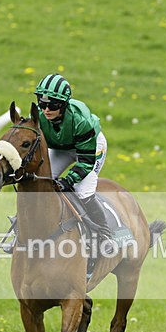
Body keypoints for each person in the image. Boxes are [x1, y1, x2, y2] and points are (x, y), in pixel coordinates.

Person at [35, 73, 115, 253]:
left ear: (63, 105)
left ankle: (105, 235)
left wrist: (68, 180)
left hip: (89, 147)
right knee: (41, 182)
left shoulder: (81, 121)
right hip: (62, 146)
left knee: (83, 190)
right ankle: (19, 227)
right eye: (42, 103)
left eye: (52, 105)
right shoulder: (39, 118)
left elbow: (85, 162)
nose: (46, 109)